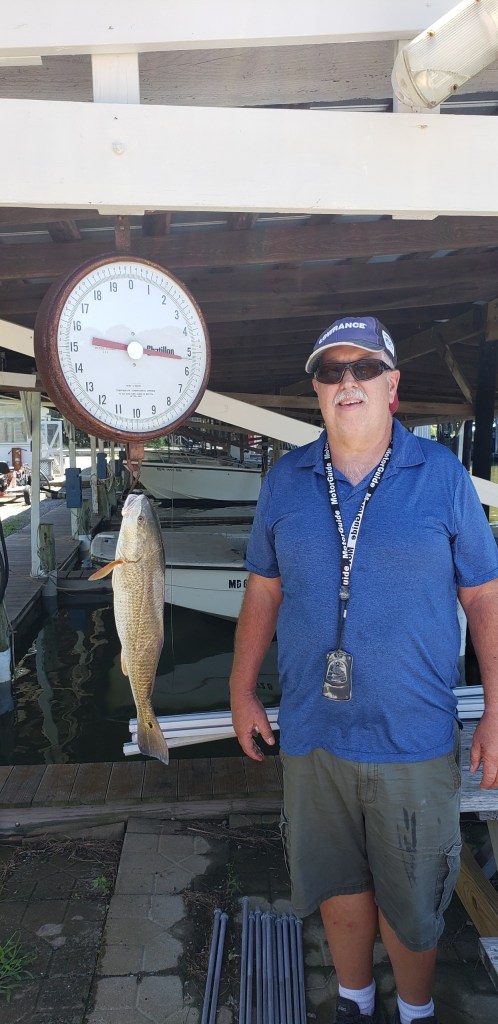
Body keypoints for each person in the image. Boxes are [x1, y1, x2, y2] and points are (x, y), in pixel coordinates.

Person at [229, 316, 498, 1024]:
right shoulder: (285, 480)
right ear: (317, 390)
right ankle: (353, 1004)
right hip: (314, 736)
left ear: (392, 386)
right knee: (337, 885)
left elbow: (483, 595)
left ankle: (414, 1012)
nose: (348, 382)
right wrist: (240, 687)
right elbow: (264, 586)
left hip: (413, 737)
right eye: (331, 371)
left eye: (364, 368)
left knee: (413, 901)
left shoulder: (441, 476)